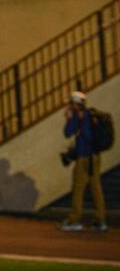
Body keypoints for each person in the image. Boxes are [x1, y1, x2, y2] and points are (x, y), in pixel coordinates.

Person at [59, 91, 107, 232]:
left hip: (84, 158)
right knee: (96, 188)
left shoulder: (77, 116)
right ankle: (100, 219)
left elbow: (68, 132)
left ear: (75, 103)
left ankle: (74, 219)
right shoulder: (90, 115)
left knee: (78, 188)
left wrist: (68, 118)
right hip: (95, 156)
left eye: (71, 103)